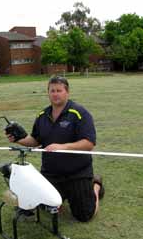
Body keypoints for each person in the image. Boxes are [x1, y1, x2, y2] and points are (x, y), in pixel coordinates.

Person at [6, 76, 104, 222]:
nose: (55, 94)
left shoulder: (80, 113)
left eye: (59, 90)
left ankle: (95, 185)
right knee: (44, 206)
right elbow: (35, 141)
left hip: (76, 173)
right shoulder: (42, 115)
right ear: (48, 93)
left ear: (67, 92)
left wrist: (62, 146)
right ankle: (62, 194)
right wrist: (19, 139)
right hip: (51, 173)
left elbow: (89, 143)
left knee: (84, 215)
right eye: (52, 91)